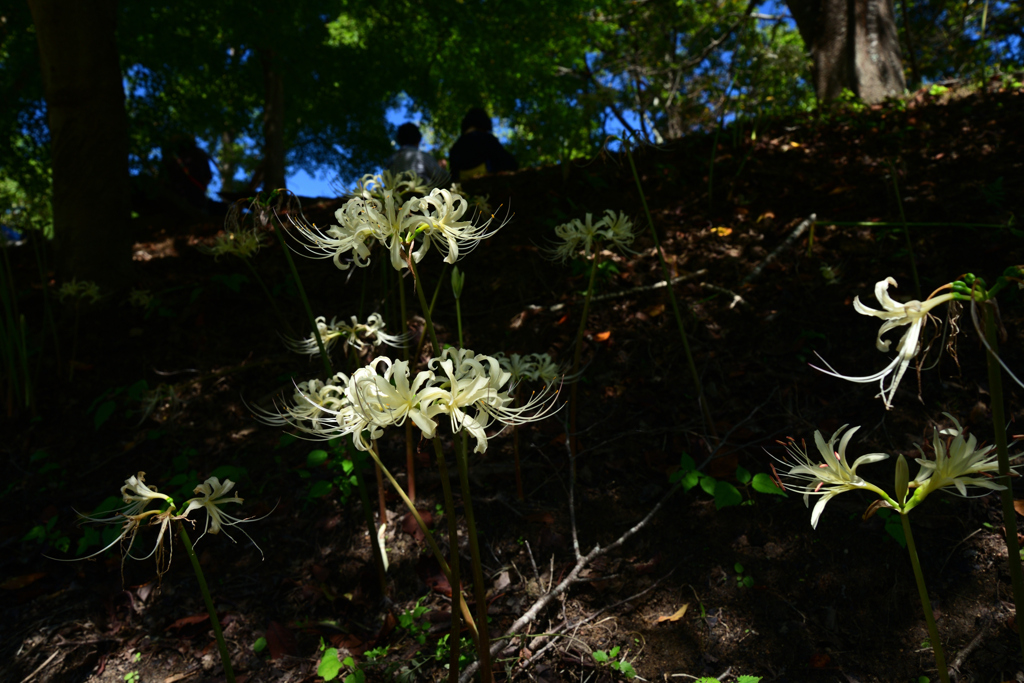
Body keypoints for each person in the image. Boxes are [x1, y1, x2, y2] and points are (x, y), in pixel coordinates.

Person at [448, 108, 518, 182]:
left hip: (462, 188)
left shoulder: (455, 148)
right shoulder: (487, 139)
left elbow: (453, 175)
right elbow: (511, 164)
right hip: (489, 184)